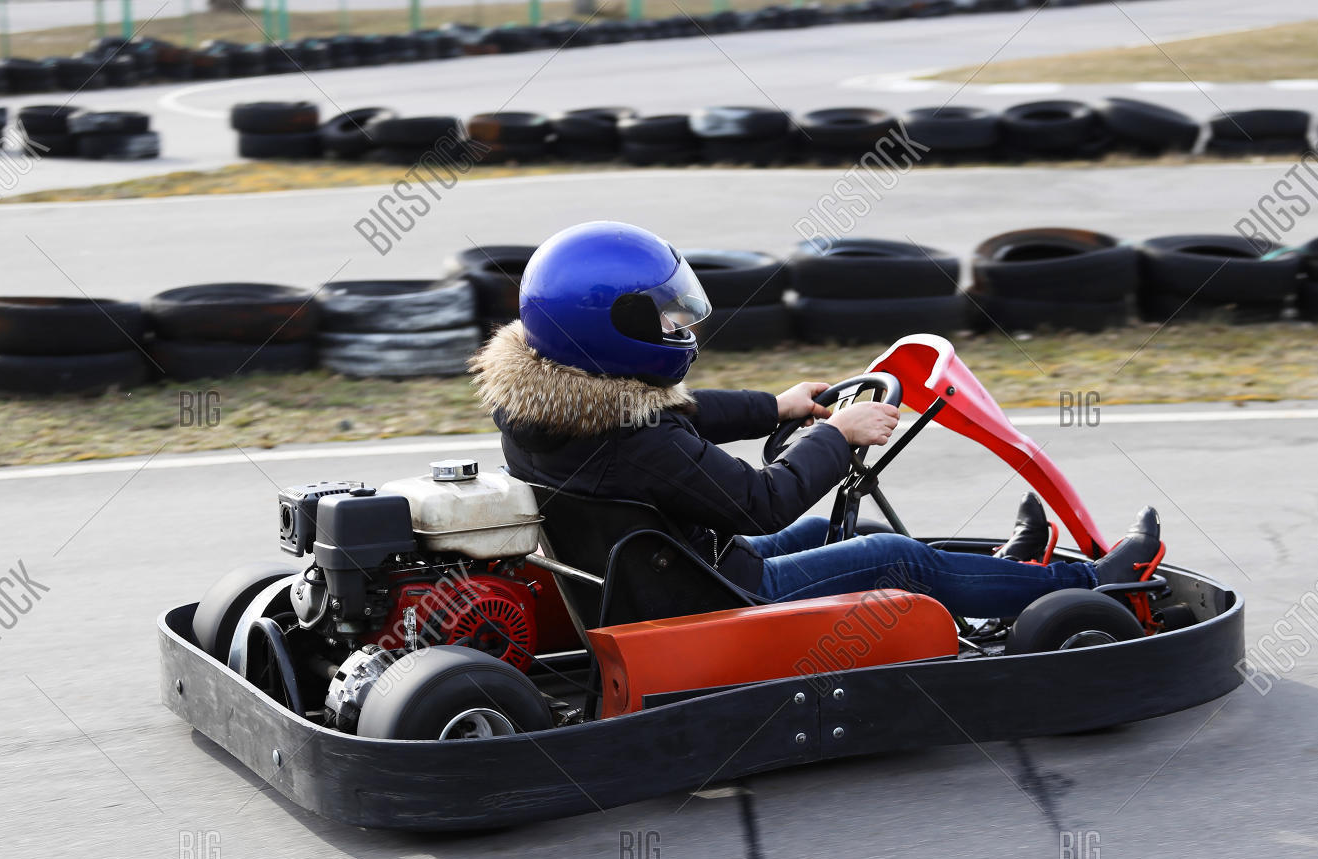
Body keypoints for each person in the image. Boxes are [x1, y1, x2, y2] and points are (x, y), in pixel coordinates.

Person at [471, 220, 1162, 620]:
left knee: (848, 529)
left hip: (665, 573)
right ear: (613, 331)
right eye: (661, 314)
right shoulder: (633, 443)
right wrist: (837, 433)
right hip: (708, 598)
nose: (678, 323)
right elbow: (759, 501)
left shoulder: (552, 406)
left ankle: (1009, 583)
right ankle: (1095, 589)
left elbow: (679, 411)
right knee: (894, 559)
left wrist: (775, 407)